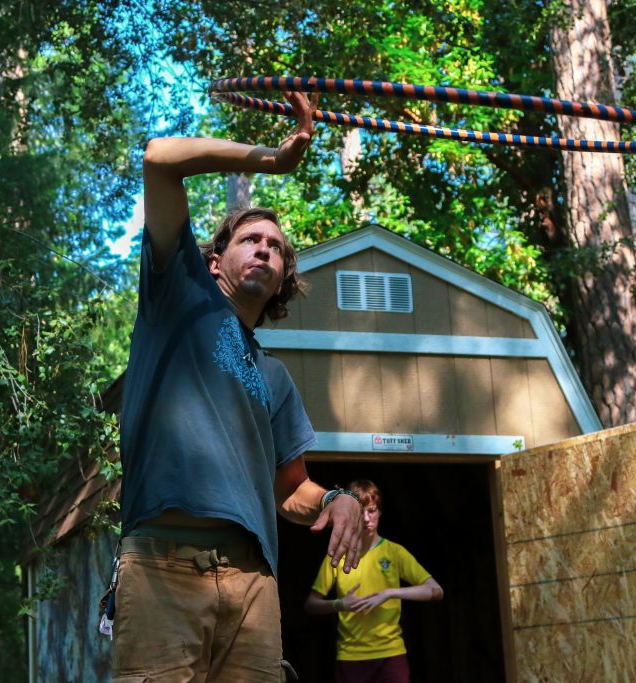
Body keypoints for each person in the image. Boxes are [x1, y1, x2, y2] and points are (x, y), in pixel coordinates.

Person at [110, 89, 364, 682]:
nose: (266, 250)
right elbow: (159, 158)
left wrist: (335, 499)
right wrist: (273, 159)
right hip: (162, 570)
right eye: (252, 239)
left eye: (277, 249)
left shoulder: (274, 378)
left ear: (281, 283)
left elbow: (290, 490)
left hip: (255, 586)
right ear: (216, 258)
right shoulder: (177, 296)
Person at [304, 479, 444, 683]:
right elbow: (310, 605)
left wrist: (390, 593)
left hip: (391, 654)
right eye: (360, 512)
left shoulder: (395, 552)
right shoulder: (337, 555)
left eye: (372, 510)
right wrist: (340, 604)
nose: (367, 518)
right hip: (350, 656)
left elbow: (436, 591)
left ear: (380, 512)